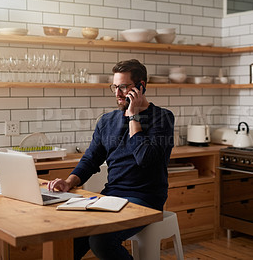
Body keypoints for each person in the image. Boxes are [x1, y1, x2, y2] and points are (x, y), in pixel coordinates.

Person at [47, 59, 175, 260]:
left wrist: (133, 117)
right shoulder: (106, 121)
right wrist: (69, 182)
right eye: (114, 87)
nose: (117, 94)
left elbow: (145, 159)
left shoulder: (163, 118)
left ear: (141, 86)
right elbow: (91, 159)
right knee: (68, 236)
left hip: (145, 199)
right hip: (111, 197)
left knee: (101, 240)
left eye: (123, 87)